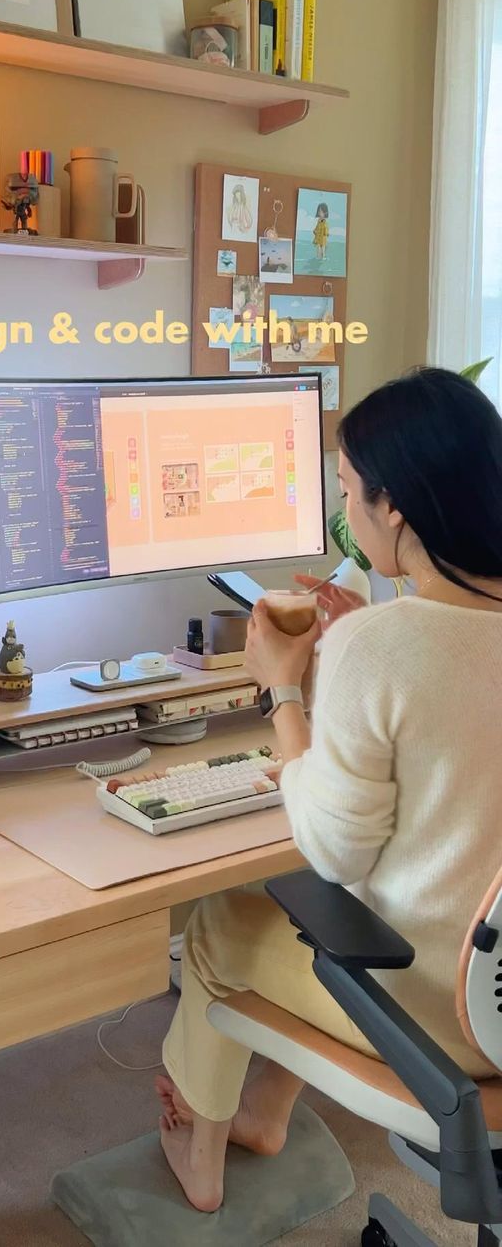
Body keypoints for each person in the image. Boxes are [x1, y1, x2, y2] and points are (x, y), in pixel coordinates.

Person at [156, 367, 502, 1212]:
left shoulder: (379, 649)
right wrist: (355, 657)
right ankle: (266, 1113)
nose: (343, 512)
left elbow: (334, 850)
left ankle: (195, 1152)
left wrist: (286, 693)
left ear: (395, 509)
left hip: (442, 1022)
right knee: (305, 927)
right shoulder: (382, 643)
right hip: (497, 999)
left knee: (226, 916)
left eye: (347, 490)